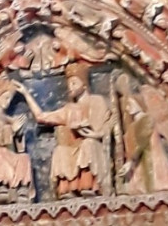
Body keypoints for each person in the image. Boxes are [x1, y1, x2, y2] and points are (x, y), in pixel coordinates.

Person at [18, 68, 113, 197]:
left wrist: (90, 133)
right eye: (69, 84)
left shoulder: (97, 101)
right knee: (60, 151)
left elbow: (105, 128)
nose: (70, 87)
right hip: (73, 147)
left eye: (74, 83)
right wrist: (26, 93)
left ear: (84, 85)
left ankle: (88, 184)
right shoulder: (69, 109)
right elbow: (41, 117)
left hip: (93, 143)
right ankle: (68, 189)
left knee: (88, 145)